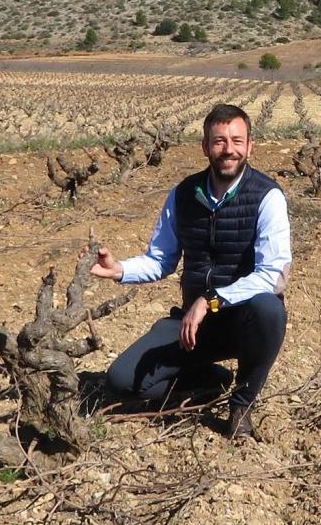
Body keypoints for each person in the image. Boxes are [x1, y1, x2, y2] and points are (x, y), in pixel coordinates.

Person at [92, 103, 290, 439]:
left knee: (270, 309)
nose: (229, 150)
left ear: (250, 146)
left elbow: (272, 274)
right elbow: (160, 259)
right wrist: (119, 269)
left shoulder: (267, 196)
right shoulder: (184, 195)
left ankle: (242, 403)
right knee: (122, 381)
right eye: (219, 141)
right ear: (205, 146)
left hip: (243, 322)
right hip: (192, 325)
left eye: (237, 141)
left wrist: (211, 299)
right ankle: (212, 380)